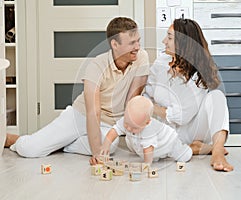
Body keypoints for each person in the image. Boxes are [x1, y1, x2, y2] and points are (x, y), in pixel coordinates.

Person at [5, 17, 150, 165]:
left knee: (110, 146)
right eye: (132, 43)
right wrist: (96, 154)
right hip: (81, 115)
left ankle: (61, 144)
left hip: (109, 123)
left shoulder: (141, 57)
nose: (138, 47)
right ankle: (12, 139)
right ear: (115, 44)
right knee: (31, 150)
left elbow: (133, 100)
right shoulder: (97, 66)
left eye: (139, 40)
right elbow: (93, 112)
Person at [144, 18, 233, 172]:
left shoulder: (197, 72)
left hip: (191, 128)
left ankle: (217, 151)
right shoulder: (161, 62)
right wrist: (148, 109)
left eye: (170, 38)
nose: (164, 41)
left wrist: (154, 107)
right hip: (166, 128)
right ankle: (196, 148)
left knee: (217, 96)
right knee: (142, 146)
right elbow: (147, 93)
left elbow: (182, 117)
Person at [99, 95, 192, 164]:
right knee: (138, 144)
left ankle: (189, 149)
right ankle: (156, 156)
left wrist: (146, 165)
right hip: (153, 147)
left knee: (183, 157)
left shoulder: (149, 130)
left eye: (134, 127)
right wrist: (106, 146)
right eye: (126, 124)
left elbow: (148, 149)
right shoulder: (127, 120)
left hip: (169, 142)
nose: (128, 128)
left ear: (147, 123)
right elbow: (114, 131)